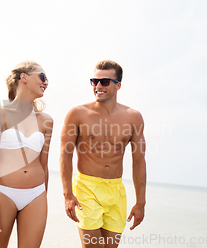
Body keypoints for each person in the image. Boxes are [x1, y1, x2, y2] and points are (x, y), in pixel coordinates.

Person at [60, 60, 146, 248]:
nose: (98, 86)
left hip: (116, 190)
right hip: (86, 188)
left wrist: (141, 202)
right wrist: (68, 194)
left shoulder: (133, 117)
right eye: (94, 81)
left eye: (105, 82)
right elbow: (65, 154)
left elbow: (139, 162)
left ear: (118, 85)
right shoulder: (77, 113)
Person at [0, 61, 53, 248]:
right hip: (3, 193)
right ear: (23, 77)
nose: (46, 83)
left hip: (36, 195)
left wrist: (43, 199)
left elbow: (44, 165)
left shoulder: (46, 121)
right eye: (42, 77)